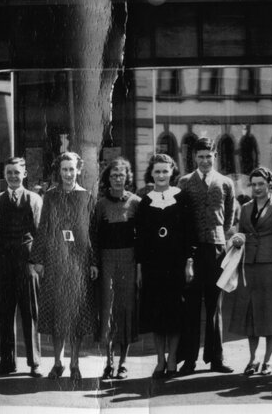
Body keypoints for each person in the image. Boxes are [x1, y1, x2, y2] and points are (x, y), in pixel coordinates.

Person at [32, 151, 98, 380]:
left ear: (78, 169)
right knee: (56, 312)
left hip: (78, 262)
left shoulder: (87, 196)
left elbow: (92, 233)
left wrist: (93, 262)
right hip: (54, 260)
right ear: (59, 172)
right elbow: (43, 227)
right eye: (64, 170)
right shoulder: (50, 196)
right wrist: (38, 259)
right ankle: (57, 362)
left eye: (72, 169)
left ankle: (75, 363)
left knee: (77, 314)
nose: (68, 174)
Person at [176, 137, 235, 375]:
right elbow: (179, 214)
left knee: (214, 306)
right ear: (194, 158)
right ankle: (189, 360)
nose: (204, 160)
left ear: (215, 156)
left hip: (217, 249)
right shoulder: (185, 182)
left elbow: (229, 216)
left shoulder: (225, 183)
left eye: (208, 156)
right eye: (200, 156)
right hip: (192, 249)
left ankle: (216, 358)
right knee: (191, 306)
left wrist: (218, 234)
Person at [136, 153, 196, 378]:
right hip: (153, 267)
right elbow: (140, 239)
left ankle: (172, 359)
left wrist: (189, 263)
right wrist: (140, 269)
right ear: (151, 173)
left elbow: (190, 234)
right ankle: (160, 359)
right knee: (157, 315)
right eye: (157, 171)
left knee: (174, 315)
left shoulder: (182, 197)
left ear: (172, 172)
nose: (161, 175)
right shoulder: (145, 200)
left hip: (176, 265)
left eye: (165, 171)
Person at [226, 167, 272, 377]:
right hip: (248, 265)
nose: (257, 188)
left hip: (270, 265)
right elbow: (241, 233)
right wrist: (236, 239)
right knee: (251, 313)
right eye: (254, 184)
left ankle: (268, 360)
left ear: (270, 184)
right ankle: (253, 359)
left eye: (261, 184)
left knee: (270, 313)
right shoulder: (245, 208)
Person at [0, 157, 43, 377]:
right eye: (9, 172)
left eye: (17, 173)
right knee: (5, 312)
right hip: (3, 261)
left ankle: (34, 362)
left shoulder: (35, 199)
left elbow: (40, 233)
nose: (12, 176)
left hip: (27, 261)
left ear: (24, 174)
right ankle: (8, 363)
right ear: (4, 174)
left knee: (30, 313)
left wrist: (37, 263)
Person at [93, 158, 141, 380]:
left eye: (121, 175)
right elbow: (94, 236)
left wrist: (139, 267)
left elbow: (141, 239)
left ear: (127, 177)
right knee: (108, 309)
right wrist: (94, 262)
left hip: (129, 260)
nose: (117, 179)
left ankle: (123, 363)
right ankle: (109, 362)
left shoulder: (136, 203)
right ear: (108, 179)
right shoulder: (100, 204)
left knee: (126, 310)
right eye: (113, 175)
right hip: (107, 261)